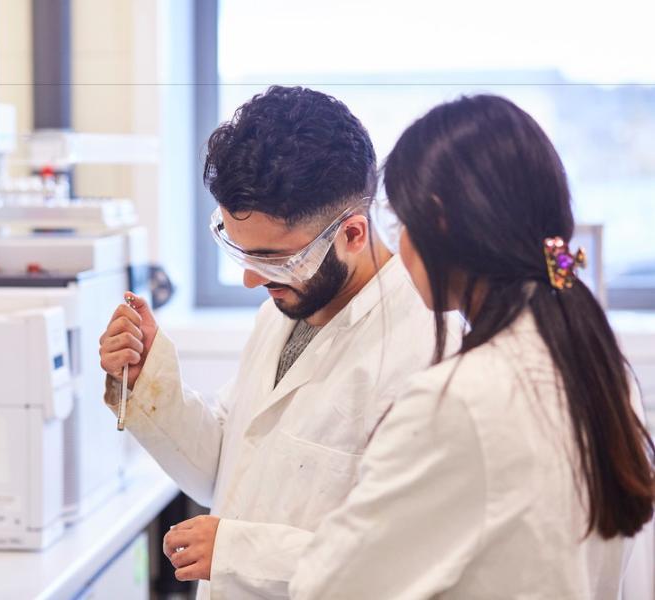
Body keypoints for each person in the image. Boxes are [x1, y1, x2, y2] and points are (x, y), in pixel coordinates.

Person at [289, 94, 655, 599]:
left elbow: (329, 585)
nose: (399, 246)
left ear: (438, 221)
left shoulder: (462, 399)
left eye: (402, 224)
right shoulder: (597, 360)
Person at [98, 86, 452, 599]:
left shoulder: (422, 352)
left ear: (352, 234)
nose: (250, 282)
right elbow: (226, 471)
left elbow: (412, 560)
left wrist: (240, 551)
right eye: (242, 254)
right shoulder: (284, 310)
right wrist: (150, 380)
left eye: (275, 259)